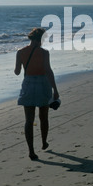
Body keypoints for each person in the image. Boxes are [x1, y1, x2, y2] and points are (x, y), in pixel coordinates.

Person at [15, 28, 59, 160]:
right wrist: (55, 90)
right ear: (40, 39)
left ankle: (31, 151)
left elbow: (17, 72)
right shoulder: (44, 53)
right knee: (43, 117)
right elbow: (48, 71)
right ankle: (44, 142)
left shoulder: (20, 52)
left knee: (29, 120)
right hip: (42, 84)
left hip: (28, 83)